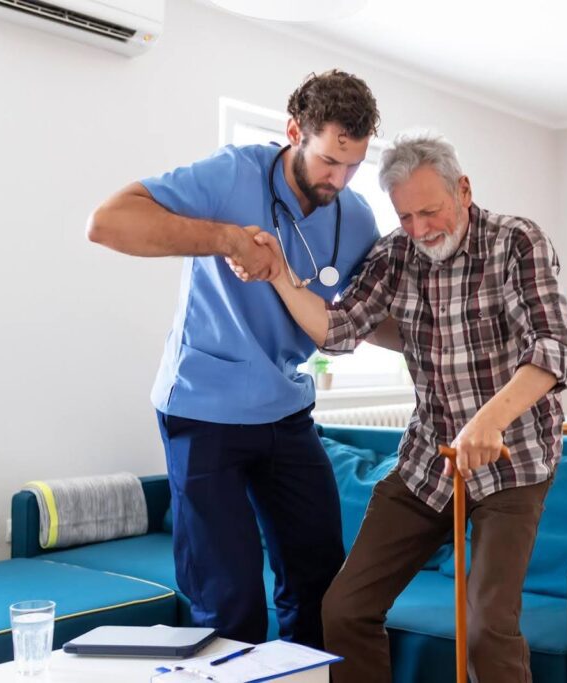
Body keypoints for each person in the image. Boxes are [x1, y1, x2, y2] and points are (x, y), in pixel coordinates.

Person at [230, 133, 567, 682]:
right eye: (406, 215)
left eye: (430, 211)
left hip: (514, 459)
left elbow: (554, 347)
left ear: (463, 190)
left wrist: (488, 421)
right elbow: (338, 330)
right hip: (428, 461)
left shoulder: (517, 241)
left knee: (488, 626)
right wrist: (280, 276)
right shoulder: (396, 253)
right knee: (343, 610)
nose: (419, 229)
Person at [86, 69, 392, 647]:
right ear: (294, 130)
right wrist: (226, 239)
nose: (340, 179)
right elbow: (107, 223)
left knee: (321, 585)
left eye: (354, 165)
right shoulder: (233, 174)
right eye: (330, 160)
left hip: (285, 411)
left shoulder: (356, 216)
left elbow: (363, 318)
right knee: (229, 604)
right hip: (204, 411)